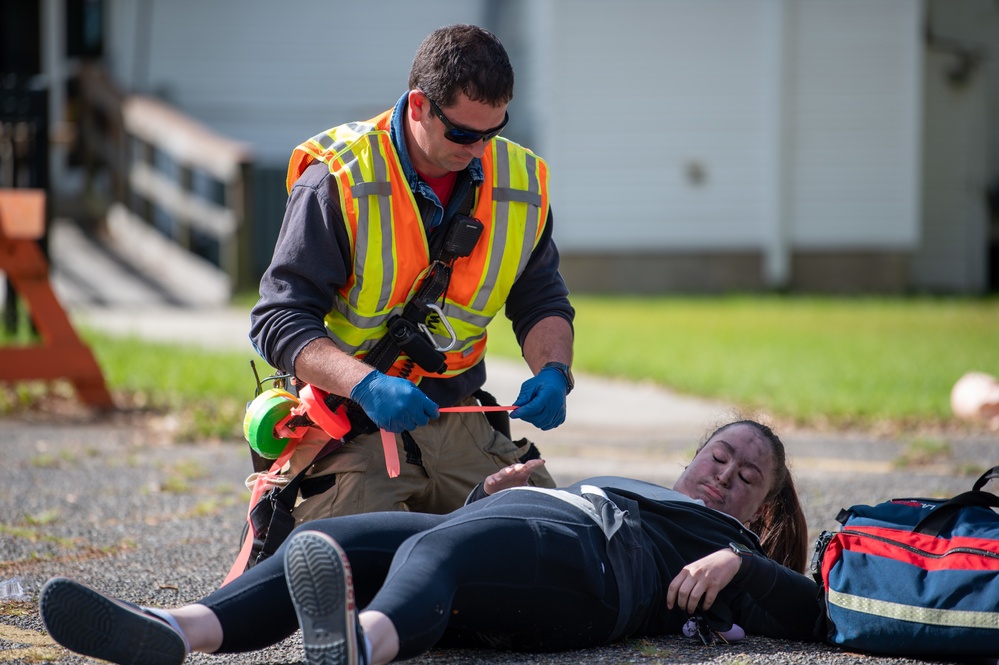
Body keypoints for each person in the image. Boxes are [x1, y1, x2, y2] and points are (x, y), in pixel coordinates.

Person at [40, 420, 821, 665]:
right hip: (547, 534)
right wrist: (491, 495)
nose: (726, 475)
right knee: (337, 536)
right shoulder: (640, 488)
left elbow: (811, 610)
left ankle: (360, 644)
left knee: (436, 557)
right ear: (690, 458)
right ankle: (179, 628)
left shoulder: (726, 547)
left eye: (748, 476)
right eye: (719, 456)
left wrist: (739, 558)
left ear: (758, 509)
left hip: (595, 569)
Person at [246, 22, 573, 522]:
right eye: (462, 133)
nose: (478, 151)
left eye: (493, 132)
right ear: (419, 104)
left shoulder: (522, 183)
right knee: (348, 559)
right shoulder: (339, 180)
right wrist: (365, 385)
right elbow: (279, 321)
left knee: (559, 534)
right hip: (352, 426)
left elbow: (541, 299)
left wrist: (553, 371)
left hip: (458, 420)